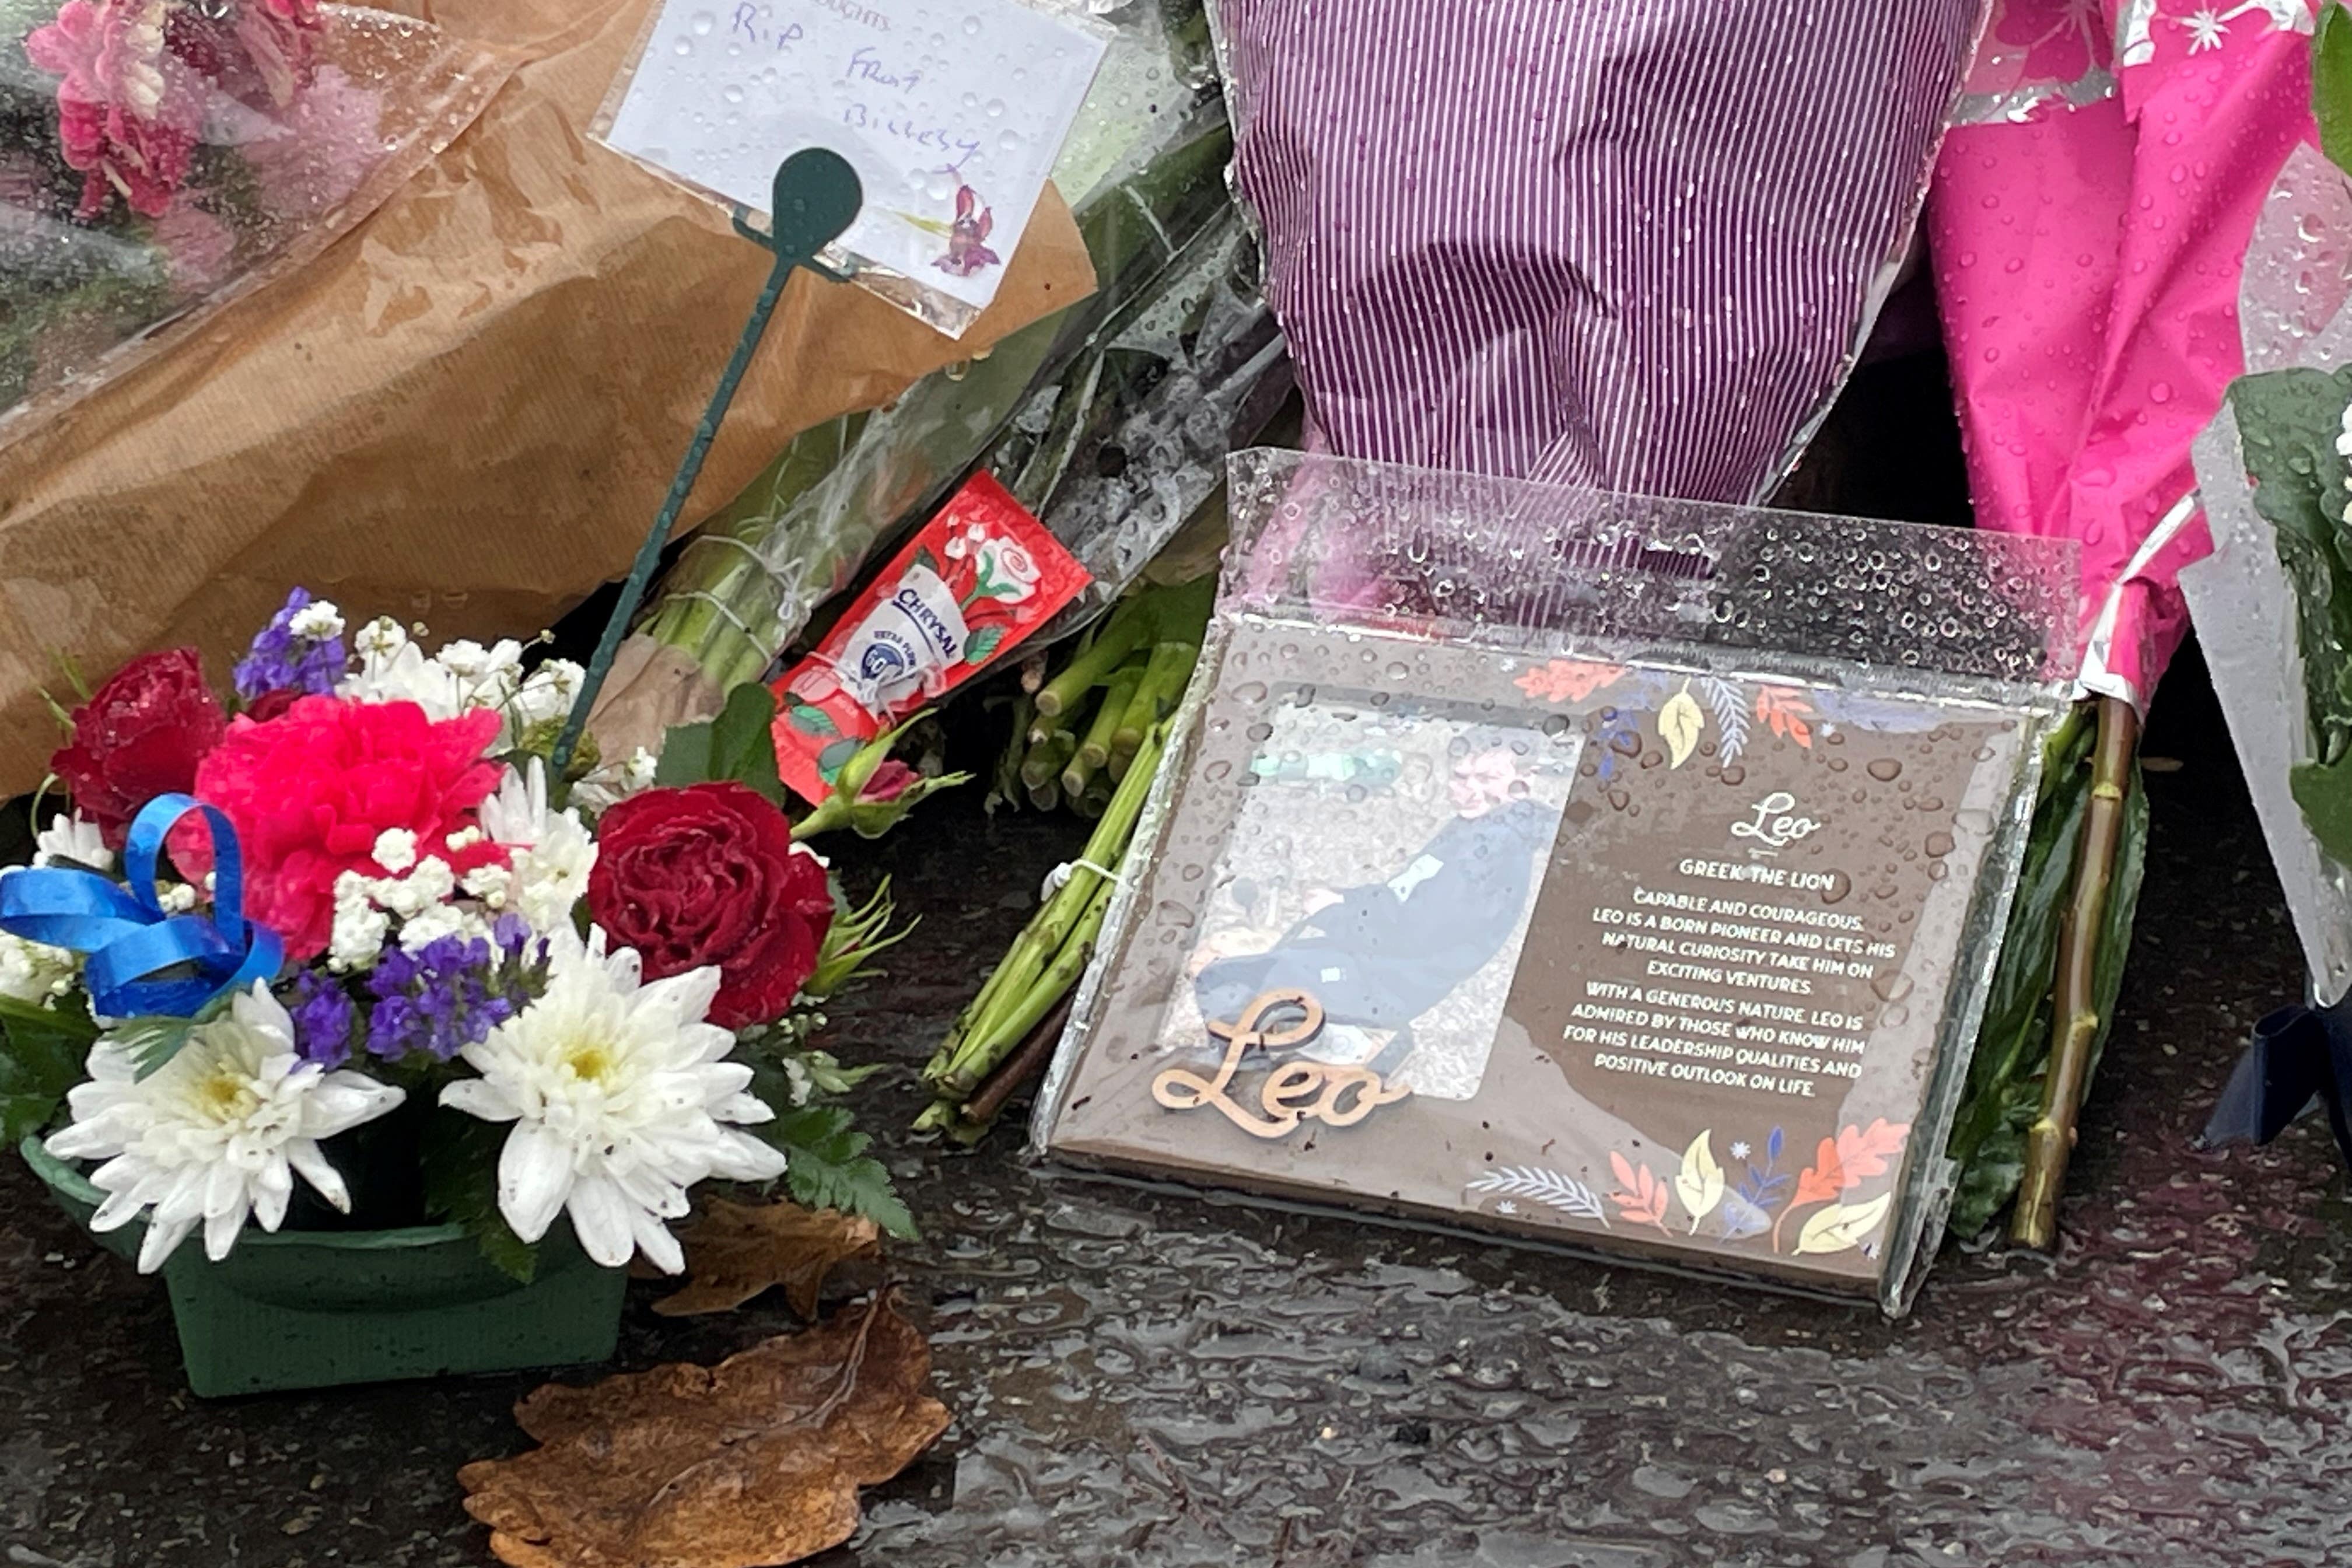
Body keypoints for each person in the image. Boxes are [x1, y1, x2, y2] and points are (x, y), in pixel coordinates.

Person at [1192, 746, 1558, 1079]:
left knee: (1259, 979)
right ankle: (1280, 1051)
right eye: (1461, 776)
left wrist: (1335, 915)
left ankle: (1345, 1050)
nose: (1470, 790)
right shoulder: (1476, 829)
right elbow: (1399, 895)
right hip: (1384, 963)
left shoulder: (1494, 850)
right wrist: (1345, 900)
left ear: (1527, 779)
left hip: (1396, 980)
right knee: (1252, 968)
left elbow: (1415, 933)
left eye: (1488, 779)